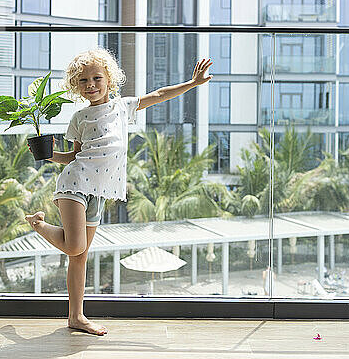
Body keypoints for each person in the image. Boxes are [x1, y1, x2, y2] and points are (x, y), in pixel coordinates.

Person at [26, 48, 213, 335]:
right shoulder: (79, 118)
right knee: (75, 246)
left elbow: (160, 94)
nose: (91, 85)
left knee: (80, 257)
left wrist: (192, 84)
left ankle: (76, 317)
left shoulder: (121, 107)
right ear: (77, 86)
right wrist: (50, 155)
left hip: (98, 192)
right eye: (84, 81)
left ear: (109, 80)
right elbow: (74, 157)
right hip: (73, 184)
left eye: (96, 78)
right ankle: (38, 224)